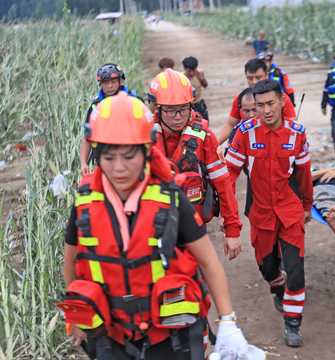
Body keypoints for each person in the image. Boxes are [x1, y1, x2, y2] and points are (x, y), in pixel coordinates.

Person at [60, 92, 251, 359]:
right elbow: (71, 264)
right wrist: (77, 316)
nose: (119, 168)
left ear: (147, 151)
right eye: (109, 157)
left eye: (129, 156)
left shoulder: (171, 199)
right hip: (111, 337)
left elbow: (208, 262)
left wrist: (228, 321)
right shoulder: (84, 203)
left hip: (168, 337)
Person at [226, 79, 313, 347]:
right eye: (259, 105)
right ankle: (277, 286)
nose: (265, 110)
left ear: (282, 102)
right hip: (261, 213)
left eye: (270, 103)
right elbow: (229, 175)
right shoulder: (245, 133)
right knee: (268, 267)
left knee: (296, 269)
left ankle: (292, 323)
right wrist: (230, 219)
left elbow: (304, 175)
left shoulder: (297, 134)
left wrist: (306, 206)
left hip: (289, 212)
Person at [148, 69, 242, 260]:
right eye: (170, 110)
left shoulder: (204, 138)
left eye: (183, 109)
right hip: (152, 226)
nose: (177, 116)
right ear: (157, 108)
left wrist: (232, 231)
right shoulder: (142, 137)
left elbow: (223, 183)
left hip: (193, 226)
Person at [217, 58, 296, 154]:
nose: (254, 82)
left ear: (266, 75)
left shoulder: (282, 99)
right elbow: (230, 124)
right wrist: (214, 145)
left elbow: (291, 125)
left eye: (258, 77)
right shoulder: (242, 99)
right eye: (250, 78)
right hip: (246, 148)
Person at [79, 63, 141, 176]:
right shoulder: (95, 107)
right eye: (106, 83)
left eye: (113, 82)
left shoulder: (134, 102)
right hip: (103, 160)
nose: (110, 86)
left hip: (130, 156)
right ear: (100, 84)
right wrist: (83, 163)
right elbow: (87, 137)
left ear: (120, 82)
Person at [182, 56, 210, 121]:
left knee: (204, 124)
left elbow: (205, 85)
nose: (191, 73)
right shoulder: (181, 78)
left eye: (193, 70)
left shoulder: (199, 74)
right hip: (187, 106)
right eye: (189, 71)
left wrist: (202, 78)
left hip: (199, 105)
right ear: (185, 68)